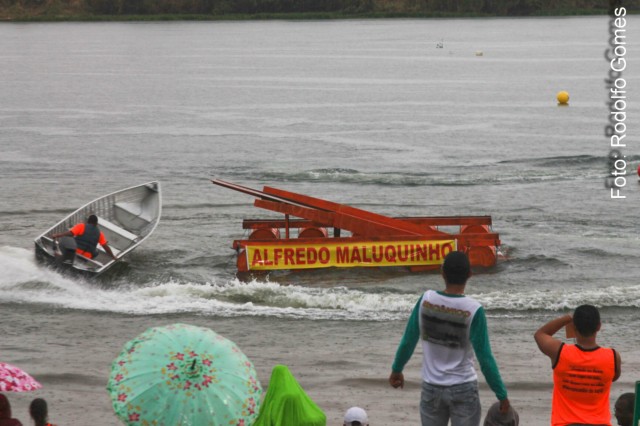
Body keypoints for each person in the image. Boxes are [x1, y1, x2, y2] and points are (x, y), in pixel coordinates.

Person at [389, 251, 510, 426]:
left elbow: (409, 339)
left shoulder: (426, 300)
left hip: (431, 389)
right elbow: (485, 358)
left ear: (442, 272)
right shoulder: (473, 310)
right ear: (470, 274)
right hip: (464, 388)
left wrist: (397, 368)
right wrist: (501, 394)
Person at [533, 304, 621, 426]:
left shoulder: (560, 352)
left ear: (574, 327)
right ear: (599, 326)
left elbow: (540, 334)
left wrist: (567, 318)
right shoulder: (612, 356)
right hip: (600, 423)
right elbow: (614, 377)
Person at [51, 214, 116, 261]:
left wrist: (57, 235)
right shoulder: (100, 234)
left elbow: (70, 234)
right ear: (96, 224)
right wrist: (113, 256)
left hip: (75, 253)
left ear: (88, 221)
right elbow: (106, 247)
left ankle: (58, 255)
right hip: (87, 257)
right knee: (96, 252)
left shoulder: (82, 226)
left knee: (65, 240)